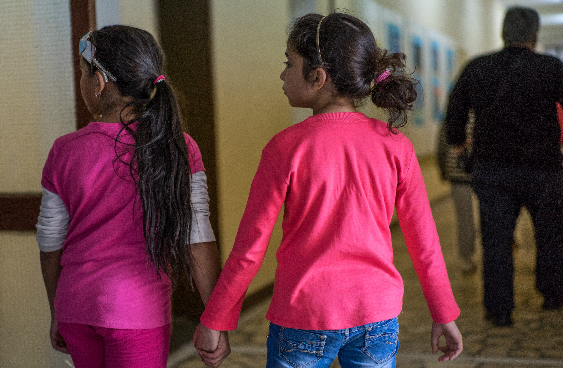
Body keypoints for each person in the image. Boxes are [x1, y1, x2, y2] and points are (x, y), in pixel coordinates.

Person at [193, 13, 463, 367]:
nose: (283, 74)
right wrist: (444, 312)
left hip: (303, 317)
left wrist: (215, 319)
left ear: (318, 77)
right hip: (376, 316)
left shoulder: (285, 147)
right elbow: (424, 242)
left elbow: (250, 249)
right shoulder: (396, 147)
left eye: (289, 63)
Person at [37, 25, 230, 368]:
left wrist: (57, 310)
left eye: (82, 73)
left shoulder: (64, 150)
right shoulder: (180, 148)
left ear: (98, 83)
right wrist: (215, 319)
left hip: (75, 307)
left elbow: (50, 240)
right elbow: (197, 237)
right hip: (138, 311)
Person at [445, 6, 563, 328]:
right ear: (535, 36)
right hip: (545, 169)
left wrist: (460, 143)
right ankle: (553, 294)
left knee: (496, 241)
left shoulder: (478, 68)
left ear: (503, 33)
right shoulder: (552, 68)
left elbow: (454, 115)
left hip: (493, 170)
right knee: (551, 235)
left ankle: (499, 310)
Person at [436, 119, 478, 275]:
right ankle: (473, 257)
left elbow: (441, 146)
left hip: (457, 174)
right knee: (485, 216)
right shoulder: (482, 114)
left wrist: (443, 170)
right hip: (479, 173)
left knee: (464, 219)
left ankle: (467, 259)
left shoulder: (451, 118)